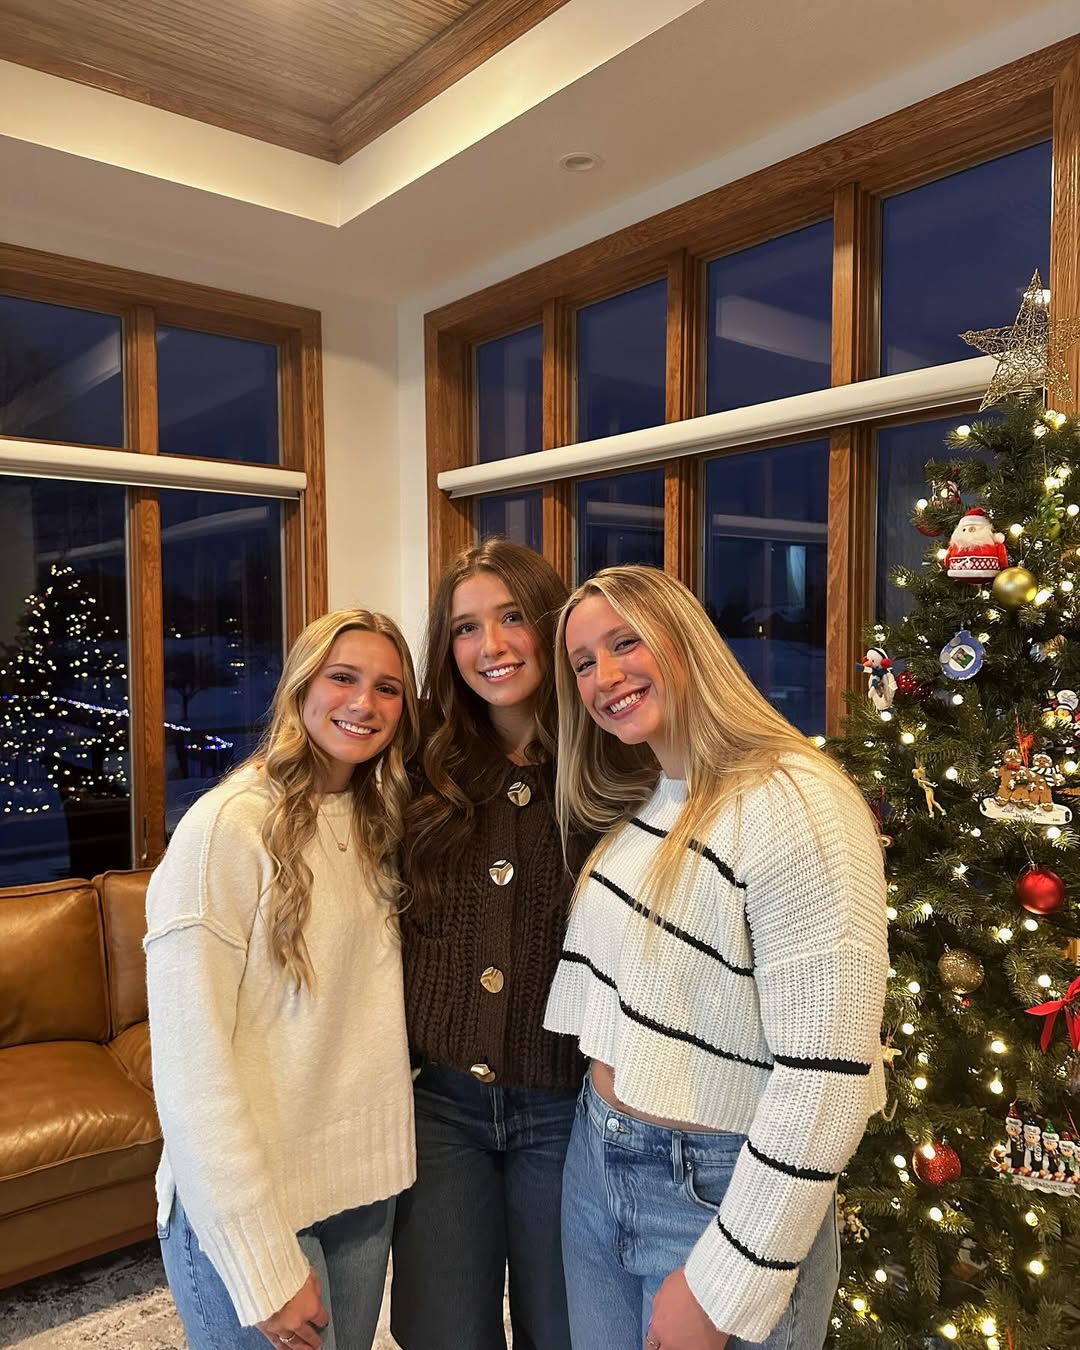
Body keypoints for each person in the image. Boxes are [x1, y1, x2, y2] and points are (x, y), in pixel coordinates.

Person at [544, 565, 889, 1350]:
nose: (604, 677)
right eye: (584, 662)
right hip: (596, 1162)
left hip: (715, 1191)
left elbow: (826, 1077)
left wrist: (730, 1278)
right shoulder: (654, 792)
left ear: (685, 640)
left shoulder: (796, 799)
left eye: (625, 643)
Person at [146, 609, 420, 1350]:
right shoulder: (226, 827)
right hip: (254, 1206)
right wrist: (261, 1262)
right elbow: (189, 1068)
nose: (364, 703)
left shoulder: (377, 819)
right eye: (343, 678)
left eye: (388, 688)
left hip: (361, 1193)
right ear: (301, 687)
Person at [391, 539, 585, 1350]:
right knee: (443, 1330)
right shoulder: (417, 765)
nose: (491, 646)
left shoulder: (609, 767)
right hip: (441, 1109)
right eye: (466, 627)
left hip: (569, 1106)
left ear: (551, 623)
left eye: (512, 618)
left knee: (568, 1328)